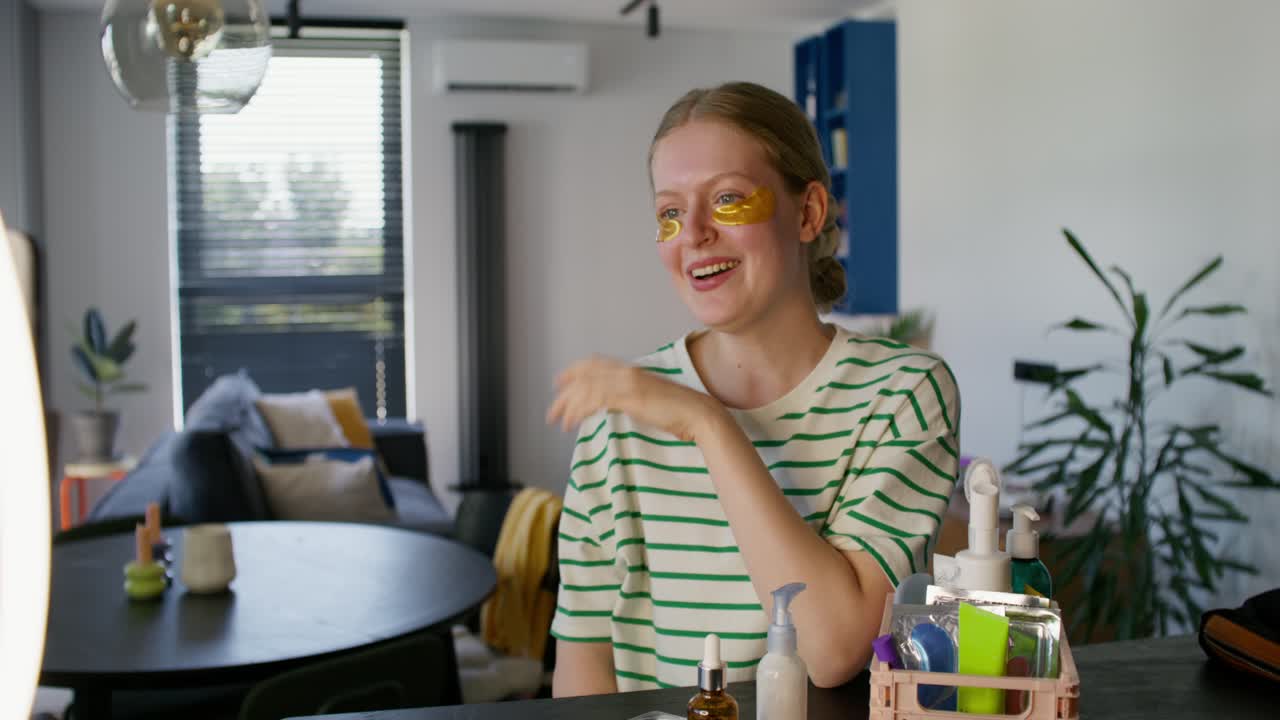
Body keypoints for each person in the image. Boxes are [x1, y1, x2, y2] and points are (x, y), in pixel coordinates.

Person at [545, 81, 960, 696]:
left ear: (809, 213)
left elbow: (833, 650)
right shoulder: (620, 411)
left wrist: (707, 424)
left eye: (728, 199)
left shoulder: (903, 394)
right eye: (669, 213)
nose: (693, 233)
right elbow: (583, 666)